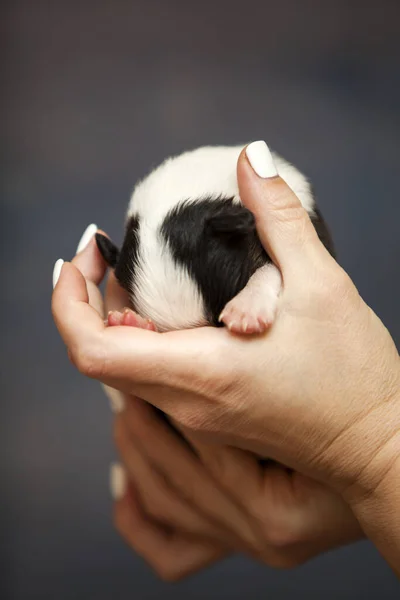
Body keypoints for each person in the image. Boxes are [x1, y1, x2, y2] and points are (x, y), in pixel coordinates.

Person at [52, 142, 400, 579]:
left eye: (213, 322)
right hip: (191, 469)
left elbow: (288, 275)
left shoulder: (278, 221)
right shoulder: (157, 231)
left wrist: (378, 457)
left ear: (239, 227)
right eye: (168, 332)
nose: (208, 355)